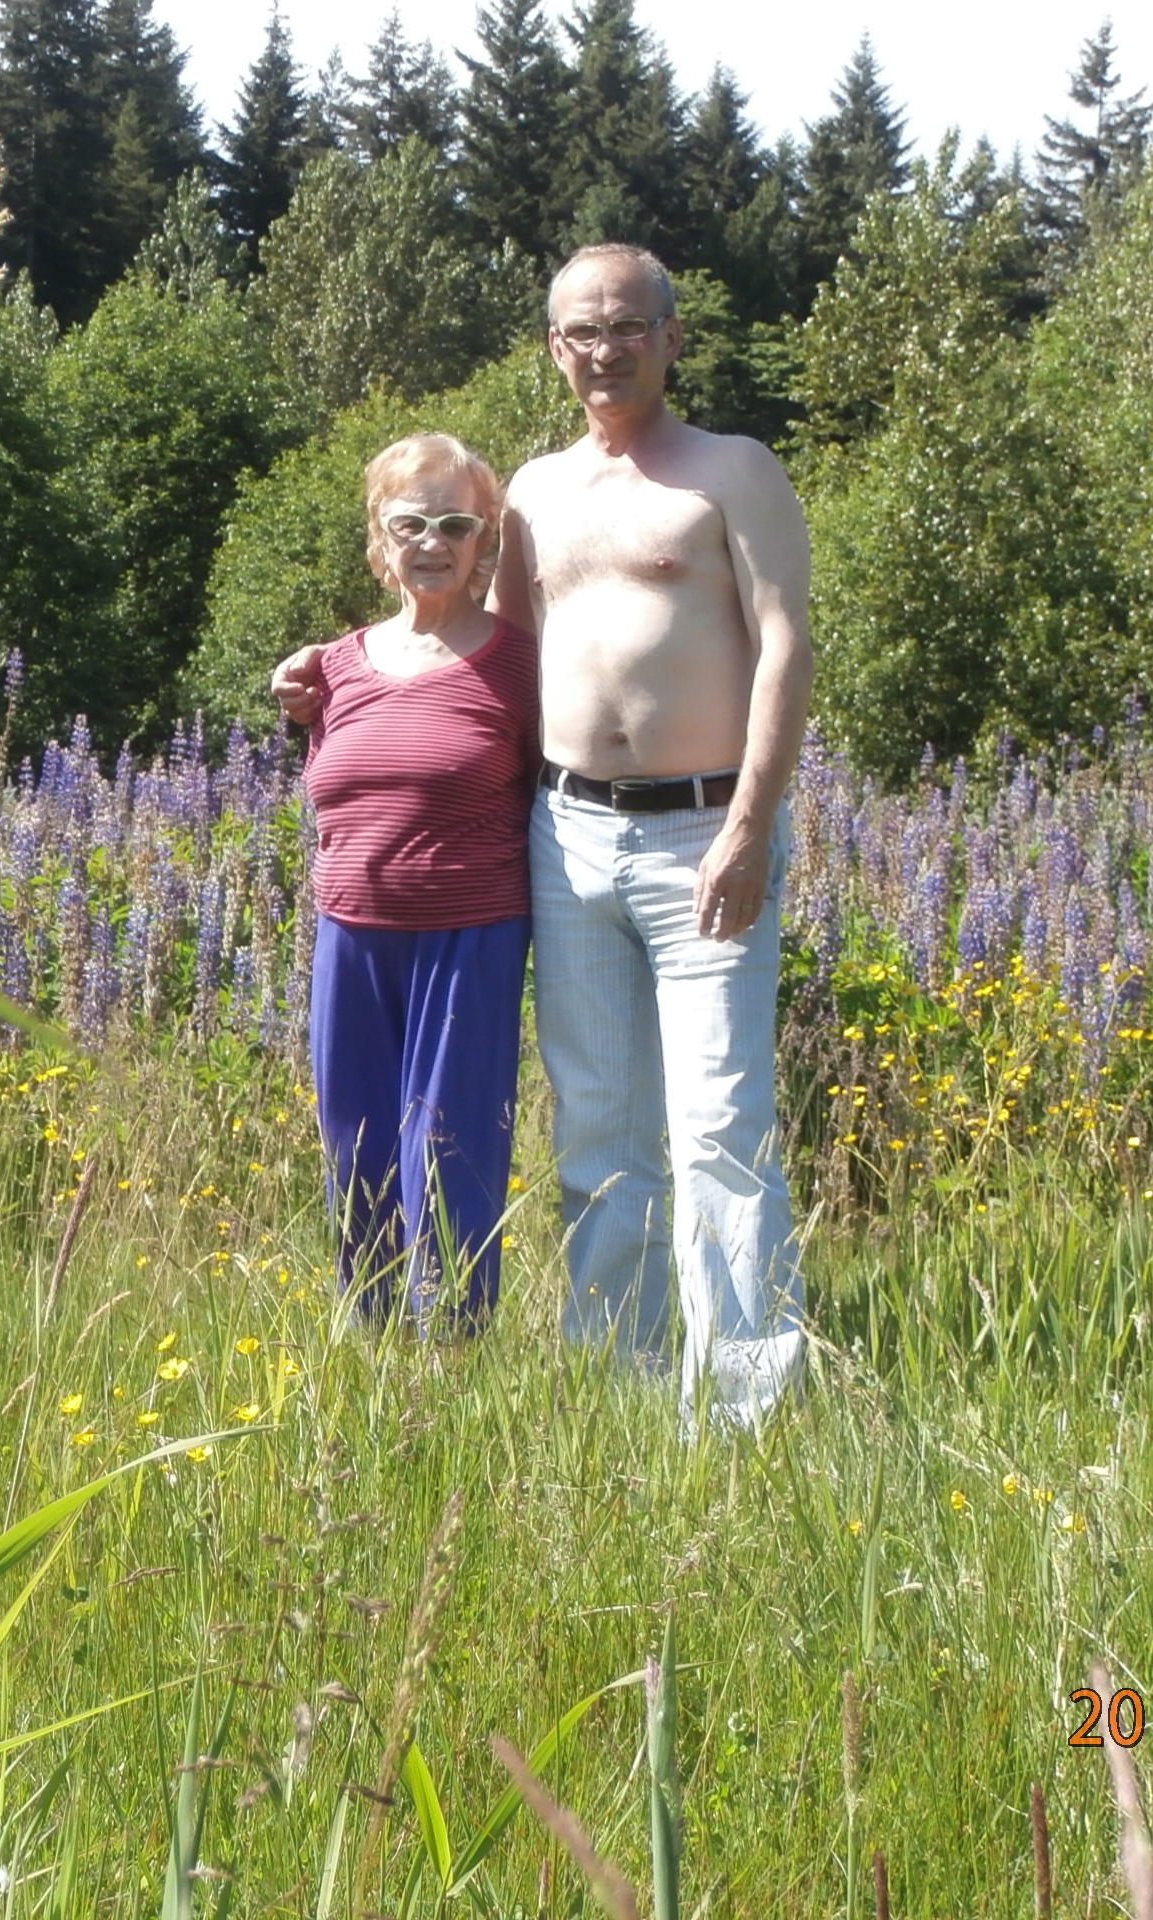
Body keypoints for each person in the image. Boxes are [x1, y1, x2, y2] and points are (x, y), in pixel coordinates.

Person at [276, 244, 814, 1427]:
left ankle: (742, 1417)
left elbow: (785, 644)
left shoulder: (732, 471)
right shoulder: (533, 492)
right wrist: (331, 672)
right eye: (582, 331)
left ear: (670, 337)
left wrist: (750, 824)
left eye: (627, 326)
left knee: (719, 1129)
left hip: (703, 834)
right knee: (597, 1133)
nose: (604, 349)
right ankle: (622, 1398)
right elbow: (475, 655)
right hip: (567, 838)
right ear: (554, 347)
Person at [300, 432, 538, 1333]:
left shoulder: (521, 664)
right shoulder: (332, 667)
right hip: (350, 933)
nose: (432, 541)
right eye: (411, 523)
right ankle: (370, 1338)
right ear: (380, 535)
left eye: (455, 524)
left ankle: (449, 1347)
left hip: (469, 937)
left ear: (483, 543)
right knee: (354, 1145)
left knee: (448, 1146)